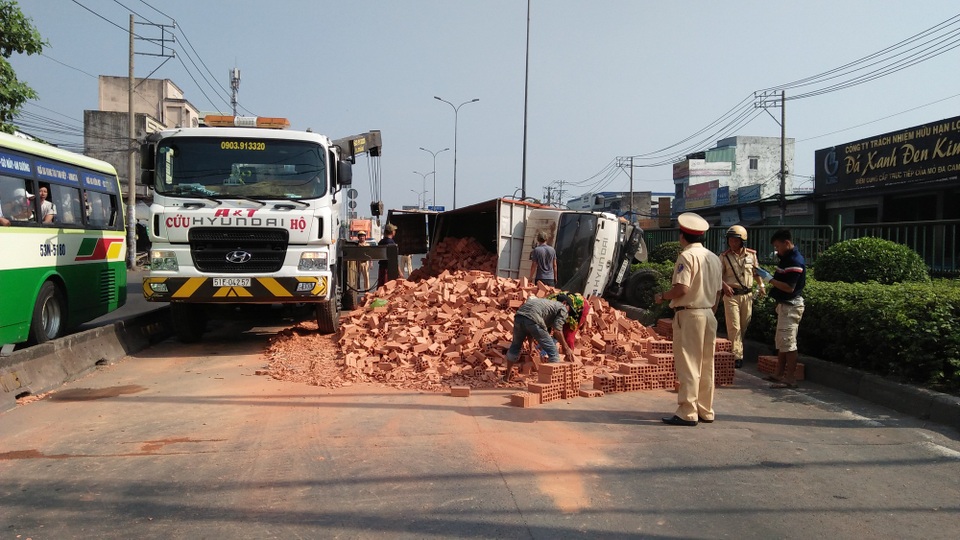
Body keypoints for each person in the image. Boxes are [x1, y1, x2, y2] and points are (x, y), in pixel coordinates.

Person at [653, 212, 723, 427]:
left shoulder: (686, 257)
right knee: (706, 363)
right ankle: (705, 409)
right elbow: (719, 291)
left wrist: (662, 296)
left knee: (689, 364)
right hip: (708, 313)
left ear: (682, 236)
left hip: (690, 313)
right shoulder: (713, 257)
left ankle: (687, 411)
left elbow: (682, 288)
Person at [766, 229, 807, 389]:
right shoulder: (787, 258)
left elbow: (789, 287)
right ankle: (779, 373)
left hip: (791, 305)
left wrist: (769, 279)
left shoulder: (795, 261)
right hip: (785, 306)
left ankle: (790, 378)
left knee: (789, 343)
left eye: (778, 247)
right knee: (782, 341)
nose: (777, 250)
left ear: (787, 243)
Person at [503, 294, 577, 381]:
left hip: (519, 316)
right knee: (553, 352)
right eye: (569, 310)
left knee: (515, 347)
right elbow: (557, 330)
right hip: (532, 318)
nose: (568, 313)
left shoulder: (546, 304)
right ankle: (553, 383)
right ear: (565, 303)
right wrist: (566, 348)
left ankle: (506, 378)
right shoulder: (562, 308)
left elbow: (528, 325)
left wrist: (531, 346)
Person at [719, 225, 765, 368]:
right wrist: (724, 286)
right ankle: (737, 356)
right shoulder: (724, 257)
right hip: (731, 294)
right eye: (730, 240)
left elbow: (756, 273)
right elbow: (717, 276)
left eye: (736, 241)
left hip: (747, 295)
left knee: (744, 324)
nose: (732, 243)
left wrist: (762, 285)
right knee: (734, 326)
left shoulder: (751, 255)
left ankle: (734, 347)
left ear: (742, 241)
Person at [376, 223, 398, 289]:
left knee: (381, 285)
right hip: (389, 269)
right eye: (394, 230)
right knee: (388, 287)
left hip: (381, 267)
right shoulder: (391, 243)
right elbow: (394, 260)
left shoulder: (381, 242)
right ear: (392, 232)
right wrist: (399, 271)